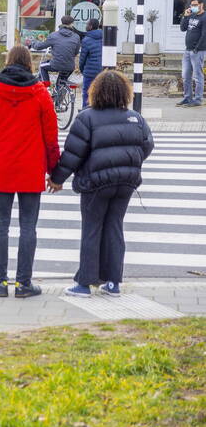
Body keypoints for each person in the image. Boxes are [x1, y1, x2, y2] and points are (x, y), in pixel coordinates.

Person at [49, 70, 154, 297]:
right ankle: (113, 282)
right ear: (124, 93)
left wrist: (57, 179)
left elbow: (73, 154)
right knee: (115, 227)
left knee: (92, 229)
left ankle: (85, 283)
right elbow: (147, 146)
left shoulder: (87, 118)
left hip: (96, 184)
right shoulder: (136, 118)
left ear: (96, 91)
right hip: (126, 183)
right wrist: (128, 163)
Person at [0, 45, 60, 299]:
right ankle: (24, 284)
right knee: (28, 227)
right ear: (29, 64)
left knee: (0, 227)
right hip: (31, 170)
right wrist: (54, 170)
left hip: (1, 168)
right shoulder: (40, 94)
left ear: (8, 61)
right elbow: (51, 138)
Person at [31, 15, 82, 88]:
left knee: (42, 66)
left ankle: (46, 86)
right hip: (70, 66)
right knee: (60, 83)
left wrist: (33, 43)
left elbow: (39, 46)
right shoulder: (76, 37)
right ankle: (58, 97)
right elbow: (76, 52)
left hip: (56, 64)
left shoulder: (54, 35)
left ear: (62, 23)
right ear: (72, 24)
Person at [179, 0, 206, 107]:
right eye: (192, 5)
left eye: (195, 5)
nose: (193, 7)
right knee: (186, 75)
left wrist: (197, 48)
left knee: (197, 76)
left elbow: (204, 35)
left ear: (201, 5)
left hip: (198, 51)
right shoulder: (191, 15)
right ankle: (187, 98)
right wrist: (185, 16)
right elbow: (183, 28)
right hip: (187, 50)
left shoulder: (204, 17)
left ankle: (198, 99)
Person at [78, 17, 103, 109]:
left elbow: (82, 58)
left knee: (87, 92)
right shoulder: (104, 37)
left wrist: (82, 70)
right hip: (103, 70)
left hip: (90, 71)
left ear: (91, 26)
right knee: (100, 92)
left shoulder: (86, 40)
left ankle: (86, 110)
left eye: (87, 24)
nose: (86, 26)